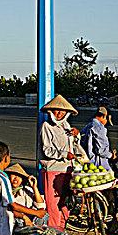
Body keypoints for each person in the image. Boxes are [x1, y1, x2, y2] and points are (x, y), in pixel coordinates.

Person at [81, 107, 118, 235]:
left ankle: (97, 219)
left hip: (90, 167)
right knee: (109, 198)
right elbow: (101, 150)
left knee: (98, 198)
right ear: (104, 117)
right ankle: (113, 226)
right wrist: (110, 155)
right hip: (100, 168)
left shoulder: (87, 127)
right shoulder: (99, 128)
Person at [38, 94, 82, 228]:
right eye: (56, 110)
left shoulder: (67, 126)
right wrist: (64, 155)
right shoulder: (46, 126)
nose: (59, 113)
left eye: (62, 111)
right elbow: (47, 150)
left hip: (67, 170)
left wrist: (77, 135)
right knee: (53, 204)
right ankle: (54, 232)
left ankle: (62, 229)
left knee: (65, 202)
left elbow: (75, 146)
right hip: (52, 169)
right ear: (51, 111)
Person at [5, 163, 47, 229]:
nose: (16, 178)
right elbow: (10, 209)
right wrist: (24, 217)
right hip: (15, 222)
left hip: (29, 221)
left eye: (19, 176)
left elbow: (41, 206)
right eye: (14, 175)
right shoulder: (5, 190)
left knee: (44, 215)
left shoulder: (26, 190)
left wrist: (34, 188)